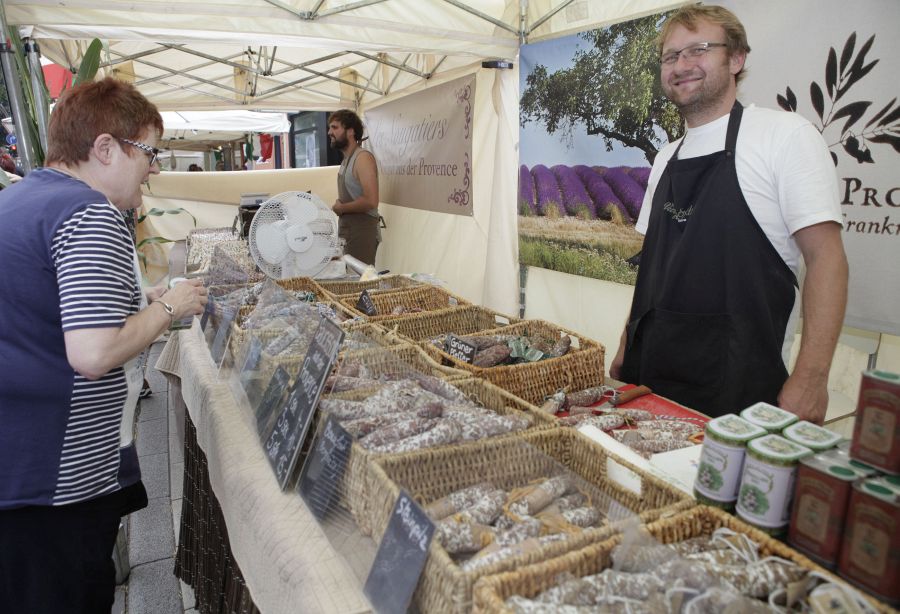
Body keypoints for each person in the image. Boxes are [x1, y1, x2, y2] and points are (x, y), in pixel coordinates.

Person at [0, 77, 208, 612]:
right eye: (150, 153)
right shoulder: (90, 213)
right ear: (107, 148)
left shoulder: (20, 199)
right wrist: (169, 307)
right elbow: (93, 353)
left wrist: (142, 301)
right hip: (54, 482)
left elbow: (50, 309)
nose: (154, 169)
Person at [610, 5, 848, 424]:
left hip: (738, 392)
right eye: (671, 56)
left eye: (698, 49)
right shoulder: (666, 157)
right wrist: (626, 344)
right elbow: (654, 269)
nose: (681, 65)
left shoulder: (784, 137)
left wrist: (812, 378)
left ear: (736, 58)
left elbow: (826, 259)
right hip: (652, 381)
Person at [327, 109, 381, 264]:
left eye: (335, 127)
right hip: (349, 231)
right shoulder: (346, 160)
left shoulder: (362, 158)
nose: (329, 132)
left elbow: (371, 201)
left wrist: (341, 208)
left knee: (359, 278)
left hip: (361, 231)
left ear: (350, 131)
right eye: (330, 128)